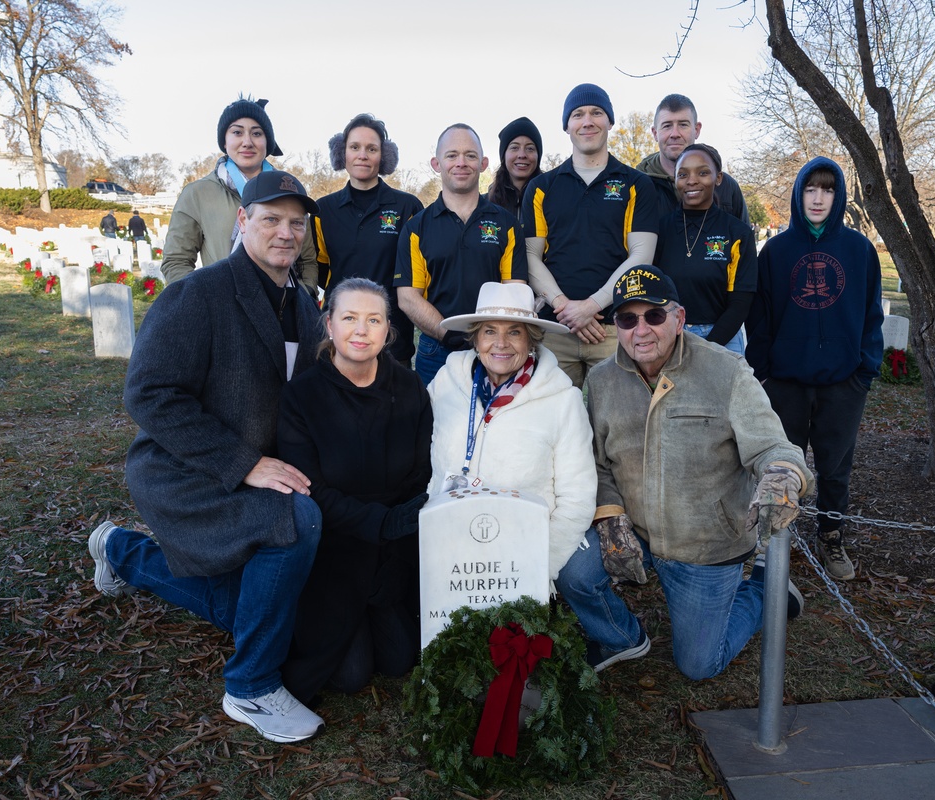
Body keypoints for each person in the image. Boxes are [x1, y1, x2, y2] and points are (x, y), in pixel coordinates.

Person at [87, 171, 326, 743]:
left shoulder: (303, 304)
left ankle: (120, 550)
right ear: (242, 222)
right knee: (296, 518)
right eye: (270, 219)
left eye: (296, 223)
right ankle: (249, 685)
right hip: (186, 469)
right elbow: (148, 395)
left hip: (258, 463)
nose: (285, 232)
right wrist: (245, 463)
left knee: (247, 609)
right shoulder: (197, 294)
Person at [555, 265, 813, 678]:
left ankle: (767, 591)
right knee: (572, 572)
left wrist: (782, 474)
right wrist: (609, 514)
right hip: (635, 529)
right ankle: (622, 638)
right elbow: (597, 462)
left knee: (698, 665)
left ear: (679, 318)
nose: (641, 330)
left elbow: (772, 445)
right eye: (627, 319)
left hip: (705, 545)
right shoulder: (603, 380)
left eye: (654, 316)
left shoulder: (726, 371)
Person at [278, 277, 432, 702]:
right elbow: (311, 489)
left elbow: (420, 474)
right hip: (336, 547)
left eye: (373, 320)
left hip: (393, 550)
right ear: (329, 326)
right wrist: (381, 523)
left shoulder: (410, 388)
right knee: (349, 675)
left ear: (388, 331)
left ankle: (381, 604)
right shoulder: (301, 397)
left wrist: (395, 542)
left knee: (400, 659)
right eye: (349, 318)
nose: (361, 331)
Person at [746, 157, 884, 581]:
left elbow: (870, 314)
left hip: (843, 382)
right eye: (810, 189)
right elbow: (761, 316)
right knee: (780, 466)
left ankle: (831, 536)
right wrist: (765, 370)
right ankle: (769, 543)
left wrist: (863, 371)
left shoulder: (859, 250)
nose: (818, 198)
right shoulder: (776, 251)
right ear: (798, 194)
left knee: (835, 468)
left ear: (838, 195)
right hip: (786, 381)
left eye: (827, 190)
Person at [427, 281, 596, 588]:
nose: (500, 343)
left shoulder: (562, 400)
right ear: (476, 339)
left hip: (524, 554)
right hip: (448, 547)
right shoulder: (445, 383)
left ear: (531, 341)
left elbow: (578, 498)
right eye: (490, 331)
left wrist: (539, 565)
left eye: (514, 332)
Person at [523, 83, 658, 388]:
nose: (587, 121)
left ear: (609, 121)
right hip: (555, 330)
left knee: (621, 427)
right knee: (552, 426)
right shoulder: (542, 187)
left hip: (614, 329)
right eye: (578, 114)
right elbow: (530, 255)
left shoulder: (636, 184)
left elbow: (641, 255)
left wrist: (591, 306)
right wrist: (567, 308)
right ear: (567, 126)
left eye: (597, 112)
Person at [396, 123, 527, 386]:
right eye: (452, 155)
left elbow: (514, 290)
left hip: (493, 350)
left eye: (470, 155)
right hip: (436, 352)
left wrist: (485, 337)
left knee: (493, 424)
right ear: (436, 163)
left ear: (483, 163)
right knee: (433, 426)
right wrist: (447, 332)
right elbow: (408, 297)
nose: (461, 163)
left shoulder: (506, 224)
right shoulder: (416, 228)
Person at [162, 95, 318, 292]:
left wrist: (300, 299)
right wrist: (207, 302)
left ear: (267, 142)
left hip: (284, 311)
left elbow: (307, 261)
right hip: (223, 309)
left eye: (257, 133)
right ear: (224, 141)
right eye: (237, 132)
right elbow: (176, 261)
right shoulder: (197, 194)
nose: (247, 142)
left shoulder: (289, 190)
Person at [313, 114, 423, 365]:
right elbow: (319, 271)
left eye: (371, 149)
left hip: (392, 339)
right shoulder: (322, 210)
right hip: (338, 339)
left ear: (383, 156)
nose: (362, 155)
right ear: (342, 153)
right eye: (355, 147)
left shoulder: (408, 207)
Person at [656, 143, 757, 355]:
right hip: (671, 336)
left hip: (722, 339)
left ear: (718, 178)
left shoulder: (737, 233)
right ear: (675, 179)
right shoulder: (659, 230)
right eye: (683, 174)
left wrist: (706, 349)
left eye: (702, 173)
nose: (692, 180)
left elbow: (740, 303)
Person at [636, 94, 750, 223]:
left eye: (683, 125)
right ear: (655, 133)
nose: (675, 134)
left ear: (696, 130)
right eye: (667, 126)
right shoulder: (637, 186)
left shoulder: (725, 186)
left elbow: (745, 239)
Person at [487, 116, 543, 218]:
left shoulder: (553, 198)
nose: (522, 154)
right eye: (514, 147)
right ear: (503, 155)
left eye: (530, 148)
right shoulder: (485, 204)